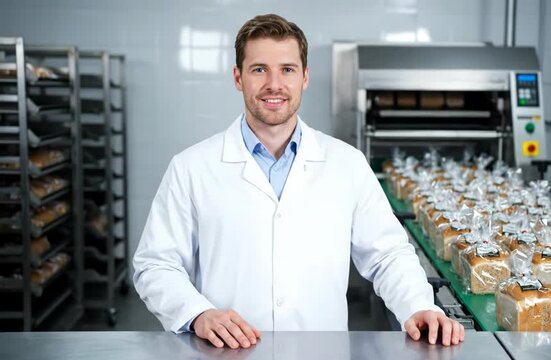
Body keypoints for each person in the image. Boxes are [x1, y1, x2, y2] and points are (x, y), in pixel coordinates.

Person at [133, 13, 464, 349]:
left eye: (287, 70)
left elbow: (387, 255)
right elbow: (155, 265)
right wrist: (198, 313)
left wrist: (418, 305)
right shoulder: (191, 167)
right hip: (226, 354)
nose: (274, 84)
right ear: (238, 77)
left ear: (305, 77)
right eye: (259, 69)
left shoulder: (346, 164)